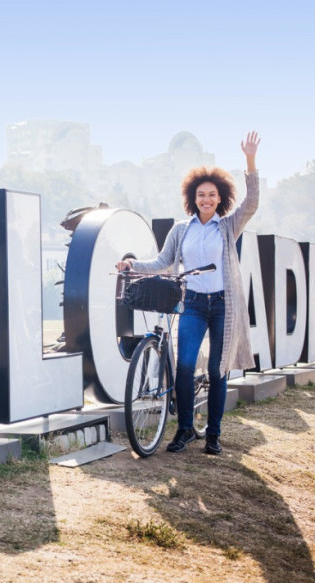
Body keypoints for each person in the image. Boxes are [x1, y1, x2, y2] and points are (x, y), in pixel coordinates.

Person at [117, 131, 261, 455]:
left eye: (211, 194)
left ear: (220, 197)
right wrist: (131, 264)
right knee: (183, 366)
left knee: (216, 369)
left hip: (224, 304)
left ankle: (213, 435)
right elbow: (163, 262)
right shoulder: (182, 230)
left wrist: (250, 161)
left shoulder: (228, 226)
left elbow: (252, 203)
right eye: (201, 195)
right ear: (192, 198)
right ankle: (184, 430)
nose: (206, 199)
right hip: (193, 304)